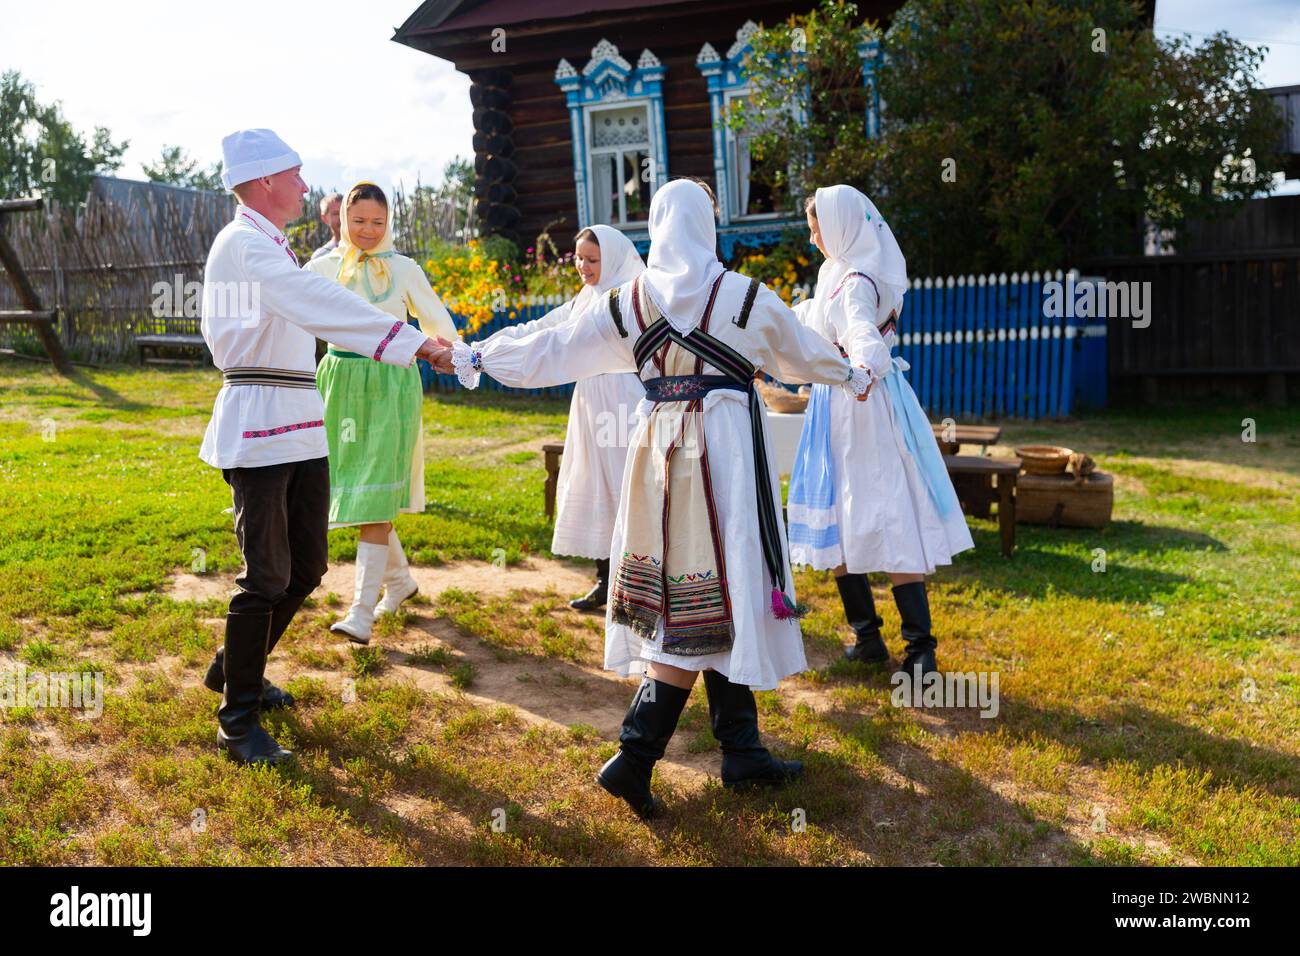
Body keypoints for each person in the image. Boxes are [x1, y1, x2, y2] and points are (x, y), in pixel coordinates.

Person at [425, 180, 870, 818]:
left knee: (710, 591)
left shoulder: (627, 302)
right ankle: (634, 758)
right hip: (724, 459)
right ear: (706, 225)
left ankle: (741, 750)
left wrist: (475, 354)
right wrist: (851, 372)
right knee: (709, 595)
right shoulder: (741, 297)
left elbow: (555, 348)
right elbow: (800, 357)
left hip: (660, 455)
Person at [199, 129, 443, 766]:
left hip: (300, 416)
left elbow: (322, 302)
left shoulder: (268, 243)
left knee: (306, 566)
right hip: (258, 420)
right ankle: (237, 722)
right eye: (298, 176)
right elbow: (318, 301)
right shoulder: (246, 245)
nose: (308, 188)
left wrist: (410, 338)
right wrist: (411, 341)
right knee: (266, 576)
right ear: (265, 182)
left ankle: (233, 668)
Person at [788, 185, 973, 677]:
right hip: (842, 402)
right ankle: (868, 636)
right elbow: (810, 322)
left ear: (842, 225)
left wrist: (863, 372)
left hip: (861, 405)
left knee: (887, 515)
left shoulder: (856, 280)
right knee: (840, 514)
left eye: (816, 230)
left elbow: (860, 333)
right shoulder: (843, 272)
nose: (813, 240)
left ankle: (918, 649)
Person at [303, 182, 458, 643]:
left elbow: (437, 323)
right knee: (350, 490)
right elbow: (294, 314)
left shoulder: (404, 269)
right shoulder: (321, 267)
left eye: (378, 222)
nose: (368, 230)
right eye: (359, 221)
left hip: (391, 386)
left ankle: (360, 613)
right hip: (338, 382)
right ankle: (400, 582)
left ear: (388, 222)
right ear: (341, 220)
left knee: (373, 499)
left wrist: (457, 355)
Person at [477, 225, 645, 610]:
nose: (583, 267)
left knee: (625, 487)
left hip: (623, 402)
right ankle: (605, 579)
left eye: (592, 260)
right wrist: (479, 350)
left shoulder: (628, 298)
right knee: (595, 484)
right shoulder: (586, 297)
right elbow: (542, 328)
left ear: (614, 259)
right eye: (579, 259)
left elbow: (557, 341)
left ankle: (635, 585)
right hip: (590, 398)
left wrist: (483, 358)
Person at [310, 192, 342, 260]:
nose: (342, 217)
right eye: (336, 213)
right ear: (325, 218)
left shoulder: (365, 250)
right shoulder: (319, 257)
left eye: (344, 212)